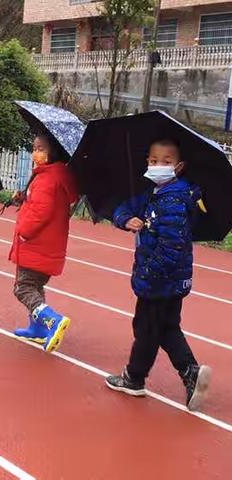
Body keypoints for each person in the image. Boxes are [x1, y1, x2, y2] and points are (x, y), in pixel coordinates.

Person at [105, 138, 211, 411]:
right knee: (162, 327)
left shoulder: (174, 199)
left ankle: (140, 377)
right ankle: (178, 373)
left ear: (179, 167)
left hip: (162, 279)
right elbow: (124, 208)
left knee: (147, 328)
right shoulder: (153, 193)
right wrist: (125, 219)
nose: (158, 166)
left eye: (165, 162)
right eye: (153, 161)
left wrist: (150, 273)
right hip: (167, 280)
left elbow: (171, 246)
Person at [9, 133, 79, 353]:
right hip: (48, 245)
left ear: (53, 152)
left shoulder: (47, 179)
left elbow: (41, 211)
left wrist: (23, 232)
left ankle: (52, 320)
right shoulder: (55, 176)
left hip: (36, 244)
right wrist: (24, 198)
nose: (35, 153)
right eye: (34, 148)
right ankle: (37, 328)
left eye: (40, 149)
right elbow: (41, 203)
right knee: (35, 286)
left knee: (23, 288)